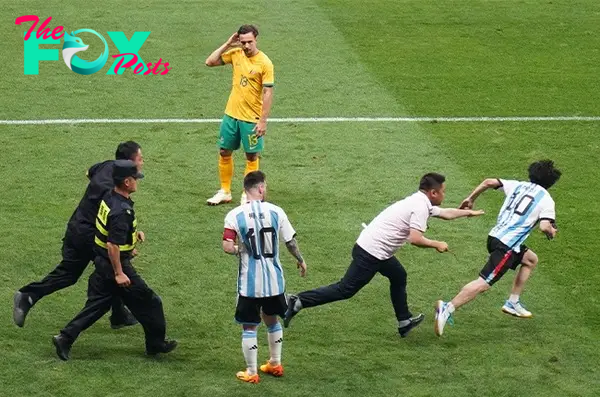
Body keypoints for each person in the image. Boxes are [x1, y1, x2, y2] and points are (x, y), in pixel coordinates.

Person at [284, 173, 484, 337]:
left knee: (398, 276)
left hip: (377, 249)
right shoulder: (420, 206)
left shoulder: (421, 200)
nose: (444, 195)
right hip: (371, 252)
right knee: (345, 290)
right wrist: (436, 244)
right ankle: (298, 301)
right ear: (433, 192)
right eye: (443, 192)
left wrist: (468, 213)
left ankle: (404, 321)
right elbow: (415, 238)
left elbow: (445, 213)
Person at [52, 160, 177, 360]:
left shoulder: (110, 198)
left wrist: (132, 236)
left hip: (102, 262)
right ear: (127, 182)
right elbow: (112, 244)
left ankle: (65, 338)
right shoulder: (122, 211)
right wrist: (119, 272)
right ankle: (156, 344)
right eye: (135, 179)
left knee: (98, 305)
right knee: (151, 301)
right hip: (114, 266)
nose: (138, 182)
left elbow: (109, 230)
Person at [13, 142, 143, 329]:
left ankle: (119, 314)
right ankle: (30, 297)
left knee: (85, 272)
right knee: (111, 268)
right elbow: (112, 222)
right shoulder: (113, 192)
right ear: (129, 163)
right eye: (140, 159)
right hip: (89, 234)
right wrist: (127, 245)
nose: (142, 163)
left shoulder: (107, 165)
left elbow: (89, 173)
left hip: (77, 224)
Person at [434, 160, 561, 337]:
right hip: (507, 246)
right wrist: (552, 232)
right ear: (551, 182)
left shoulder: (518, 185)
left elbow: (488, 182)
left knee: (530, 259)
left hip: (494, 237)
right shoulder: (547, 200)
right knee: (483, 283)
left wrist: (471, 198)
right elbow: (544, 226)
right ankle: (447, 308)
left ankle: (513, 302)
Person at [223, 171, 307, 383]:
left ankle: (252, 372)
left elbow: (227, 246)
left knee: (249, 326)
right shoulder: (277, 211)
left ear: (245, 189)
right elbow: (290, 241)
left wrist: (239, 249)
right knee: (272, 319)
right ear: (260, 188)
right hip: (274, 282)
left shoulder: (234, 215)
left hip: (249, 285)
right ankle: (275, 362)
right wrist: (300, 259)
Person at [205, 24, 275, 206]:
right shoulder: (236, 54)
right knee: (224, 151)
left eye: (249, 42)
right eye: (243, 42)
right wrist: (228, 43)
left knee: (252, 156)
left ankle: (248, 193)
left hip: (251, 118)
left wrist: (263, 121)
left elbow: (268, 93)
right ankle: (225, 191)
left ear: (256, 39)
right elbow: (210, 62)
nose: (246, 46)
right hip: (231, 115)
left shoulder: (265, 63)